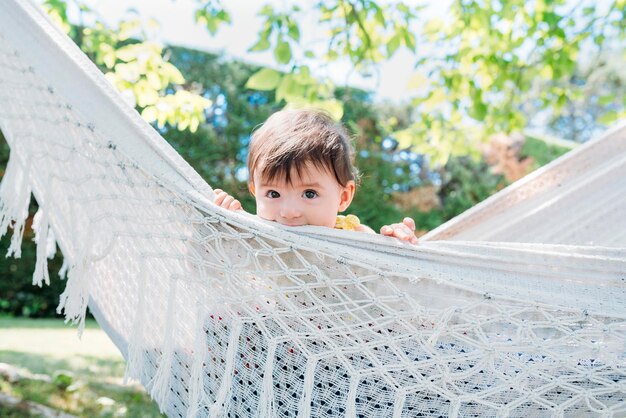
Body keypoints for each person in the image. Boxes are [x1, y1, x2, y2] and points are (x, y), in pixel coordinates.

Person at [213, 108, 418, 244]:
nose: (289, 212)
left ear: (344, 197)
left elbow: (386, 278)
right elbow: (216, 270)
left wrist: (395, 245)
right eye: (273, 194)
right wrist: (222, 229)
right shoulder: (253, 236)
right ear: (255, 192)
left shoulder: (355, 236)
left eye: (309, 194)